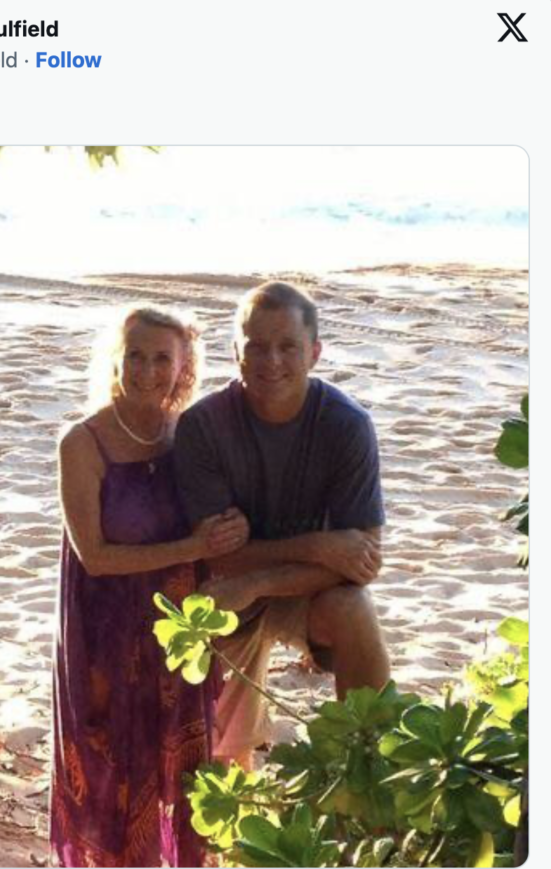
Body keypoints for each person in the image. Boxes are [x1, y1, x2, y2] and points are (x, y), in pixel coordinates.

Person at [51, 306, 249, 867]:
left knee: (187, 773)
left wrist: (234, 529)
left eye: (162, 358)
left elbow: (221, 515)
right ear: (115, 360)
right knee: (113, 774)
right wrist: (193, 548)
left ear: (184, 367)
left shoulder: (189, 437)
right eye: (134, 355)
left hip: (179, 633)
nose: (146, 370)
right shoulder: (82, 443)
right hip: (105, 634)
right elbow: (94, 557)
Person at [174, 280, 391, 770]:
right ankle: (237, 772)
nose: (271, 361)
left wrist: (260, 580)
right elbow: (218, 552)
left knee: (353, 606)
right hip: (226, 589)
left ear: (314, 352)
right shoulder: (203, 426)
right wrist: (319, 546)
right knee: (222, 761)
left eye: (288, 346)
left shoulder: (346, 424)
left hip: (301, 592)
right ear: (236, 352)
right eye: (256, 346)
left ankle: (369, 763)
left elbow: (364, 562)